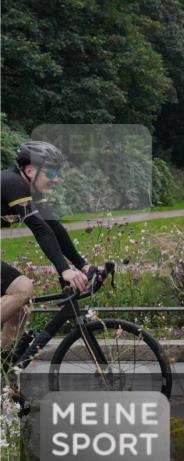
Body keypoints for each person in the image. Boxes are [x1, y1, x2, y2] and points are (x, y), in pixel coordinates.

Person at [1, 141, 90, 354]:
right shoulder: (12, 183)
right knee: (23, 289)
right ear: (30, 171)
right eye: (51, 173)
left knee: (19, 310)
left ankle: (3, 364)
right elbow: (40, 229)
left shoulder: (29, 189)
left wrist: (83, 265)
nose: (56, 179)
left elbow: (53, 227)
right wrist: (65, 270)